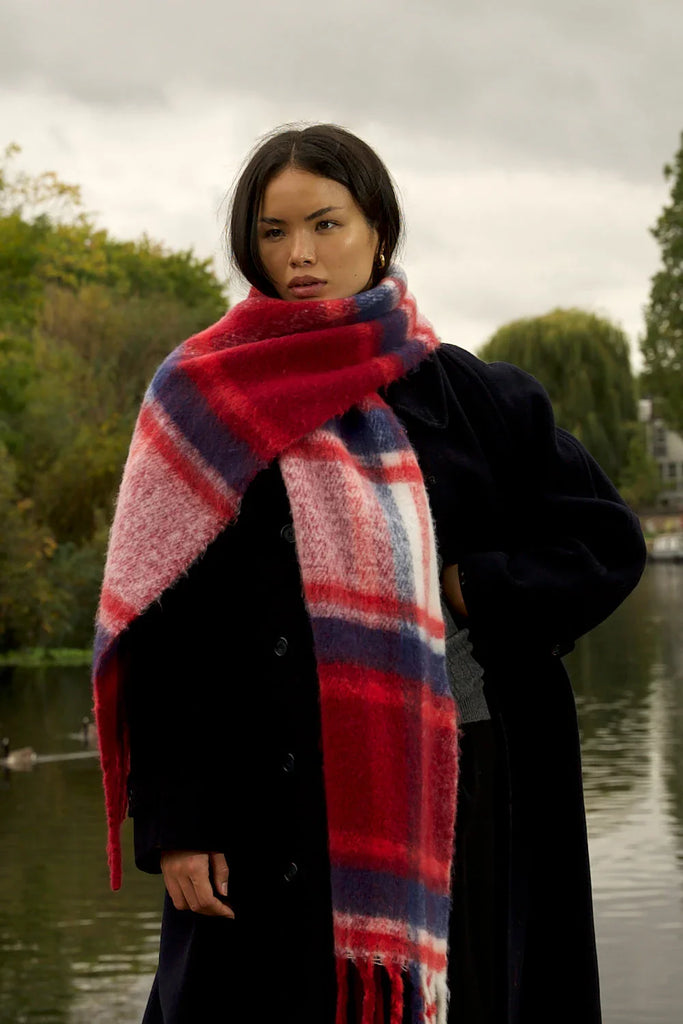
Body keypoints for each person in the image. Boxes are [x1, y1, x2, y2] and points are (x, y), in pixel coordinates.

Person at [92, 123, 647, 1024]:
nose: (300, 254)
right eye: (274, 232)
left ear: (377, 230)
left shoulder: (473, 398)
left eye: (326, 223)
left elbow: (604, 544)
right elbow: (162, 625)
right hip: (266, 802)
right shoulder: (202, 397)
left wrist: (474, 588)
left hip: (461, 783)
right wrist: (176, 822)